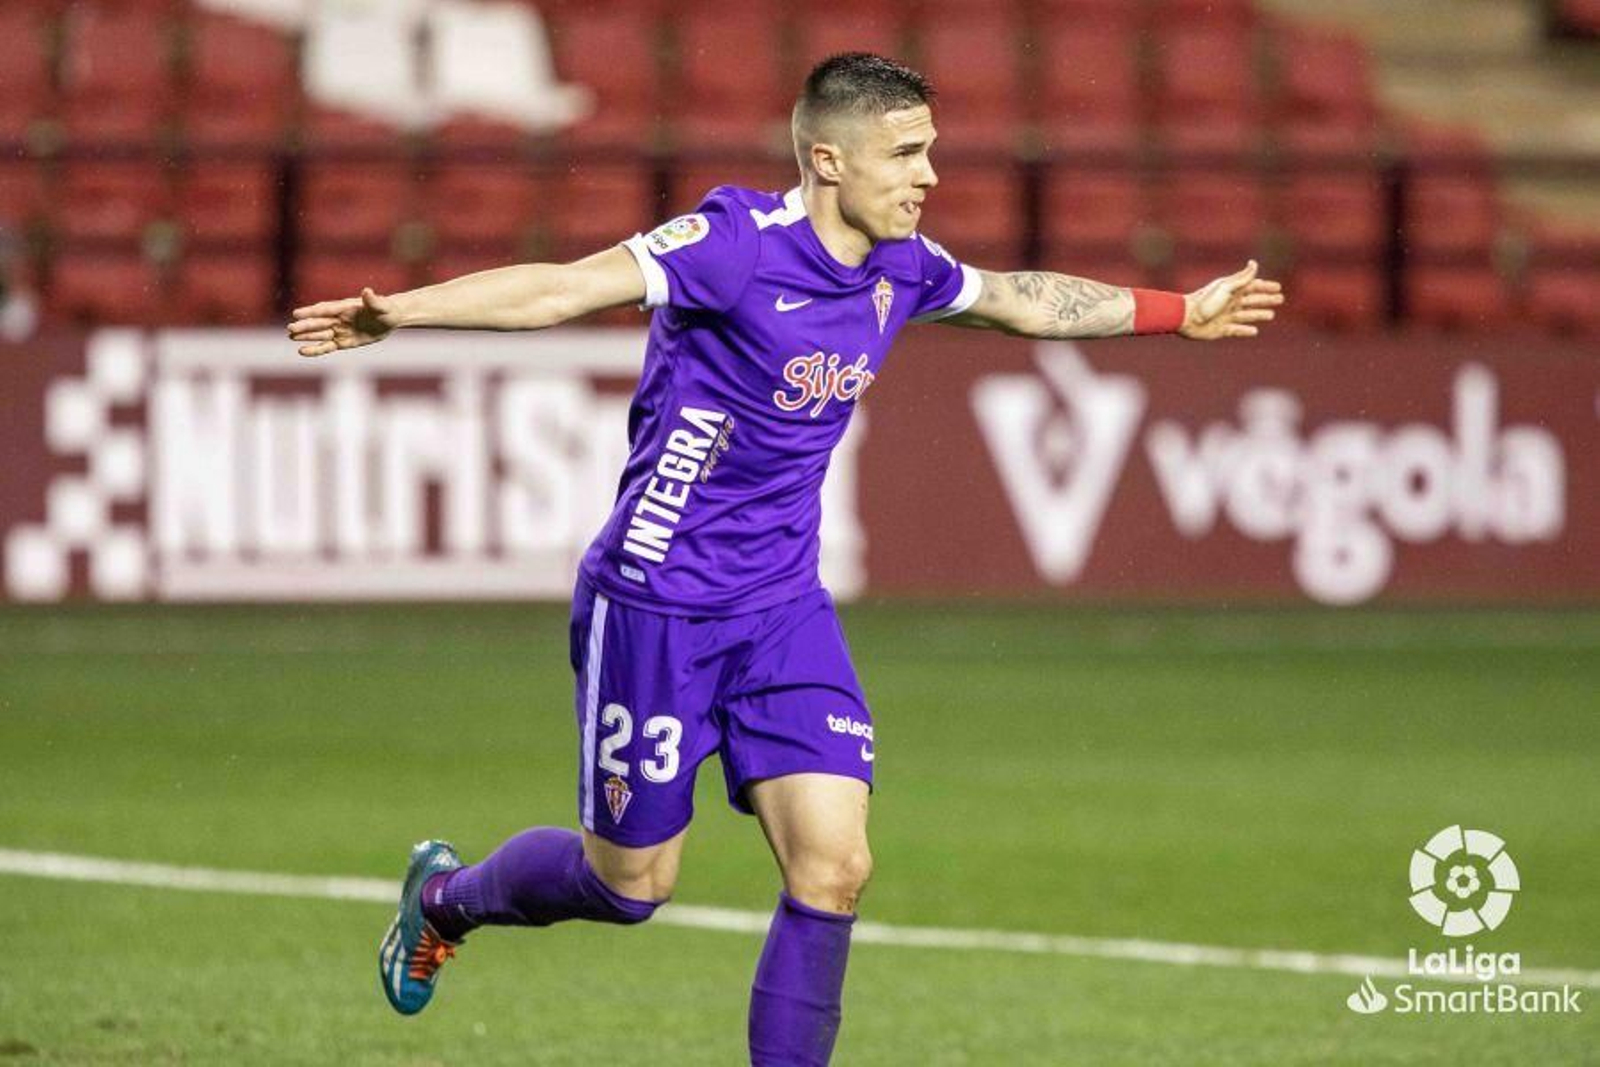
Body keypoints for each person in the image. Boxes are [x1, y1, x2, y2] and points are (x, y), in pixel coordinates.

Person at [288, 52, 1283, 1066]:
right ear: (825, 159)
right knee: (628, 885)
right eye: (905, 153)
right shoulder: (730, 245)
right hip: (657, 604)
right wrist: (400, 312)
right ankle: (446, 898)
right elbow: (564, 288)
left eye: (929, 151)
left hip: (781, 611)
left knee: (835, 866)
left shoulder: (904, 266)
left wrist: (1179, 310)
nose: (929, 175)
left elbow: (1022, 297)